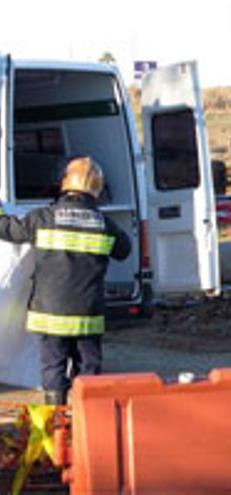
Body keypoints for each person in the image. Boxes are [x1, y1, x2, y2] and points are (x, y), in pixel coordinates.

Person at [0, 157, 131, 405]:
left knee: (54, 369)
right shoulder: (104, 225)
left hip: (50, 314)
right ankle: (88, 419)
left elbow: (7, 229)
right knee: (89, 369)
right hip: (87, 316)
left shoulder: (43, 218)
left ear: (64, 184)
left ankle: (58, 423)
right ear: (97, 189)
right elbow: (125, 251)